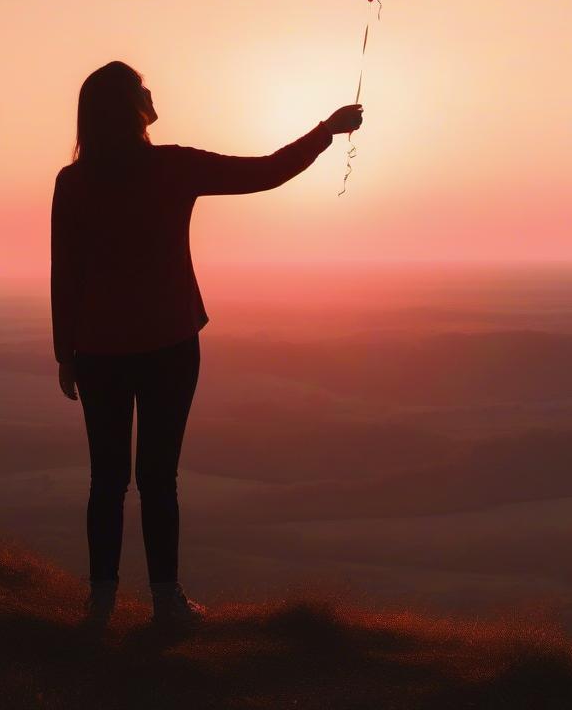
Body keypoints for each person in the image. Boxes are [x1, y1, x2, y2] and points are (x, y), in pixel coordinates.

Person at [50, 60, 362, 629]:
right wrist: (327, 131)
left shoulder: (75, 182)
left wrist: (64, 352)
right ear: (129, 106)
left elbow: (63, 273)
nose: (152, 90)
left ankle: (101, 601)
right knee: (157, 478)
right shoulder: (171, 166)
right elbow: (264, 172)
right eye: (143, 87)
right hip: (169, 345)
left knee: (107, 478)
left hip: (99, 350)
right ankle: (165, 601)